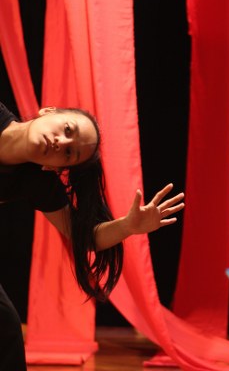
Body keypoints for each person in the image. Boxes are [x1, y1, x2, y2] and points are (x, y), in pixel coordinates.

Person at [0, 101, 184, 370]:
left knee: (5, 328)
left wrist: (128, 226)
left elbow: (85, 236)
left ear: (54, 168)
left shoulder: (35, 180)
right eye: (67, 129)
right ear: (48, 112)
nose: (61, 143)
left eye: (69, 154)